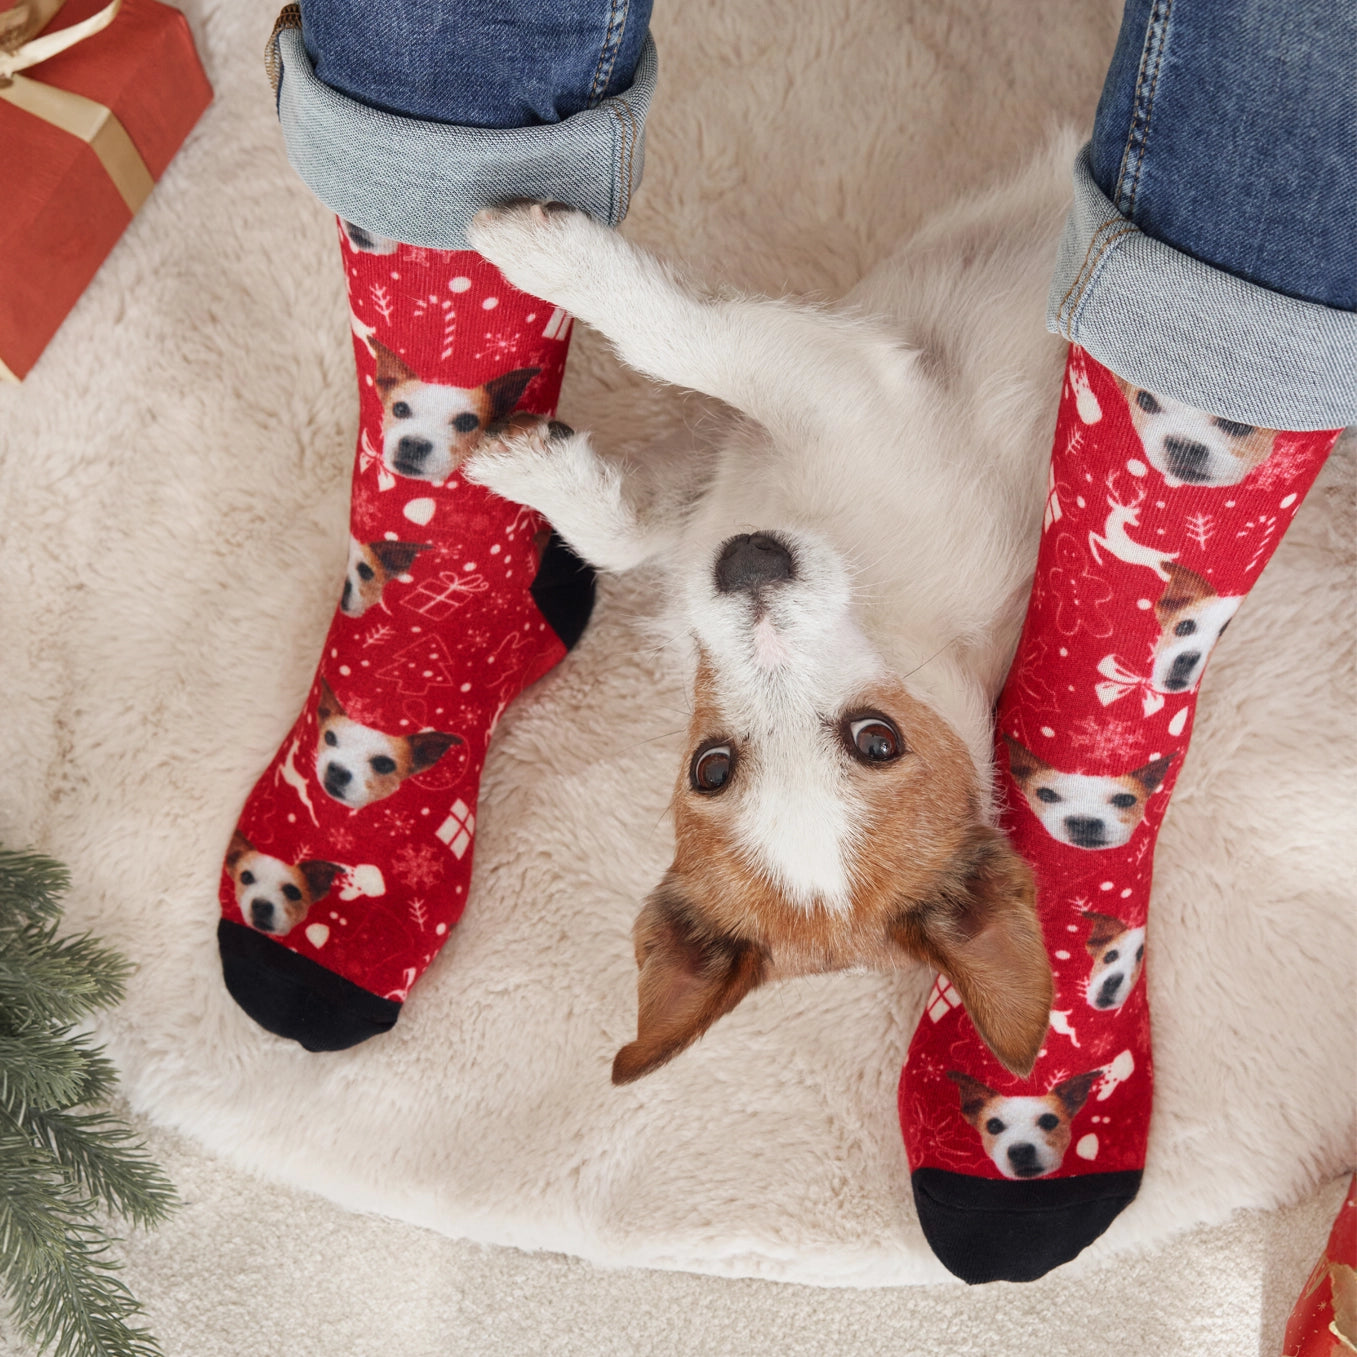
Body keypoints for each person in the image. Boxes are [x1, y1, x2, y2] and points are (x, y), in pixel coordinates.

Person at [217, 0, 1355, 1286]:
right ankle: (446, 575)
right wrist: (658, 344)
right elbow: (821, 412)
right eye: (865, 734)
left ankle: (1094, 728)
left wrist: (618, 512)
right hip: (919, 410)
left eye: (717, 765)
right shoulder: (898, 611)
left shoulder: (767, 649)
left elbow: (723, 496)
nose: (760, 652)